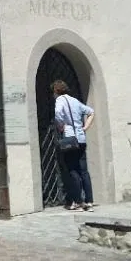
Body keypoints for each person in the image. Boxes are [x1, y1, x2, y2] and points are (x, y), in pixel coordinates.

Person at [52, 79, 96, 211]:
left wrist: (61, 125)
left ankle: (78, 201)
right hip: (81, 139)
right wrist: (85, 127)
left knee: (72, 170)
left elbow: (58, 113)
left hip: (70, 139)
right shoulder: (74, 100)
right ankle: (89, 200)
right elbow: (91, 112)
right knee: (84, 170)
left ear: (56, 91)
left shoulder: (60, 100)